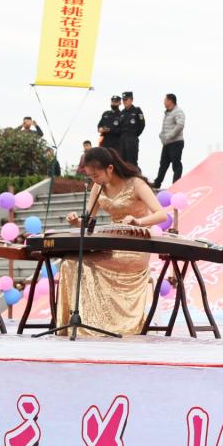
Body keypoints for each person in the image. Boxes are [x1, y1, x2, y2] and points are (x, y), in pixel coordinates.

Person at [58, 147, 167, 336]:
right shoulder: (98, 187)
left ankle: (104, 325)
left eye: (96, 175)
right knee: (69, 262)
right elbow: (88, 221)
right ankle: (83, 323)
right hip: (113, 243)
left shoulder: (136, 184)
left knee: (84, 264)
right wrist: (76, 221)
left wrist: (138, 222)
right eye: (90, 176)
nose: (94, 179)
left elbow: (161, 214)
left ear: (110, 168)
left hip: (136, 246)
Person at [154, 93, 185, 188]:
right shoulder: (168, 112)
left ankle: (176, 184)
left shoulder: (178, 111)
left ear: (170, 101)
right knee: (163, 164)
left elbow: (180, 125)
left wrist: (169, 136)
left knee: (176, 164)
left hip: (176, 143)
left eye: (165, 100)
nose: (164, 102)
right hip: (167, 143)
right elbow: (167, 127)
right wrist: (161, 136)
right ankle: (157, 183)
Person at [117, 91, 145, 168]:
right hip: (122, 139)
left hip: (132, 138)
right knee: (122, 162)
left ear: (132, 100)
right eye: (123, 100)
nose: (124, 101)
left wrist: (134, 134)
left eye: (126, 99)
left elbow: (142, 125)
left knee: (131, 162)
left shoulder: (137, 110)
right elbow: (119, 127)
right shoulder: (122, 113)